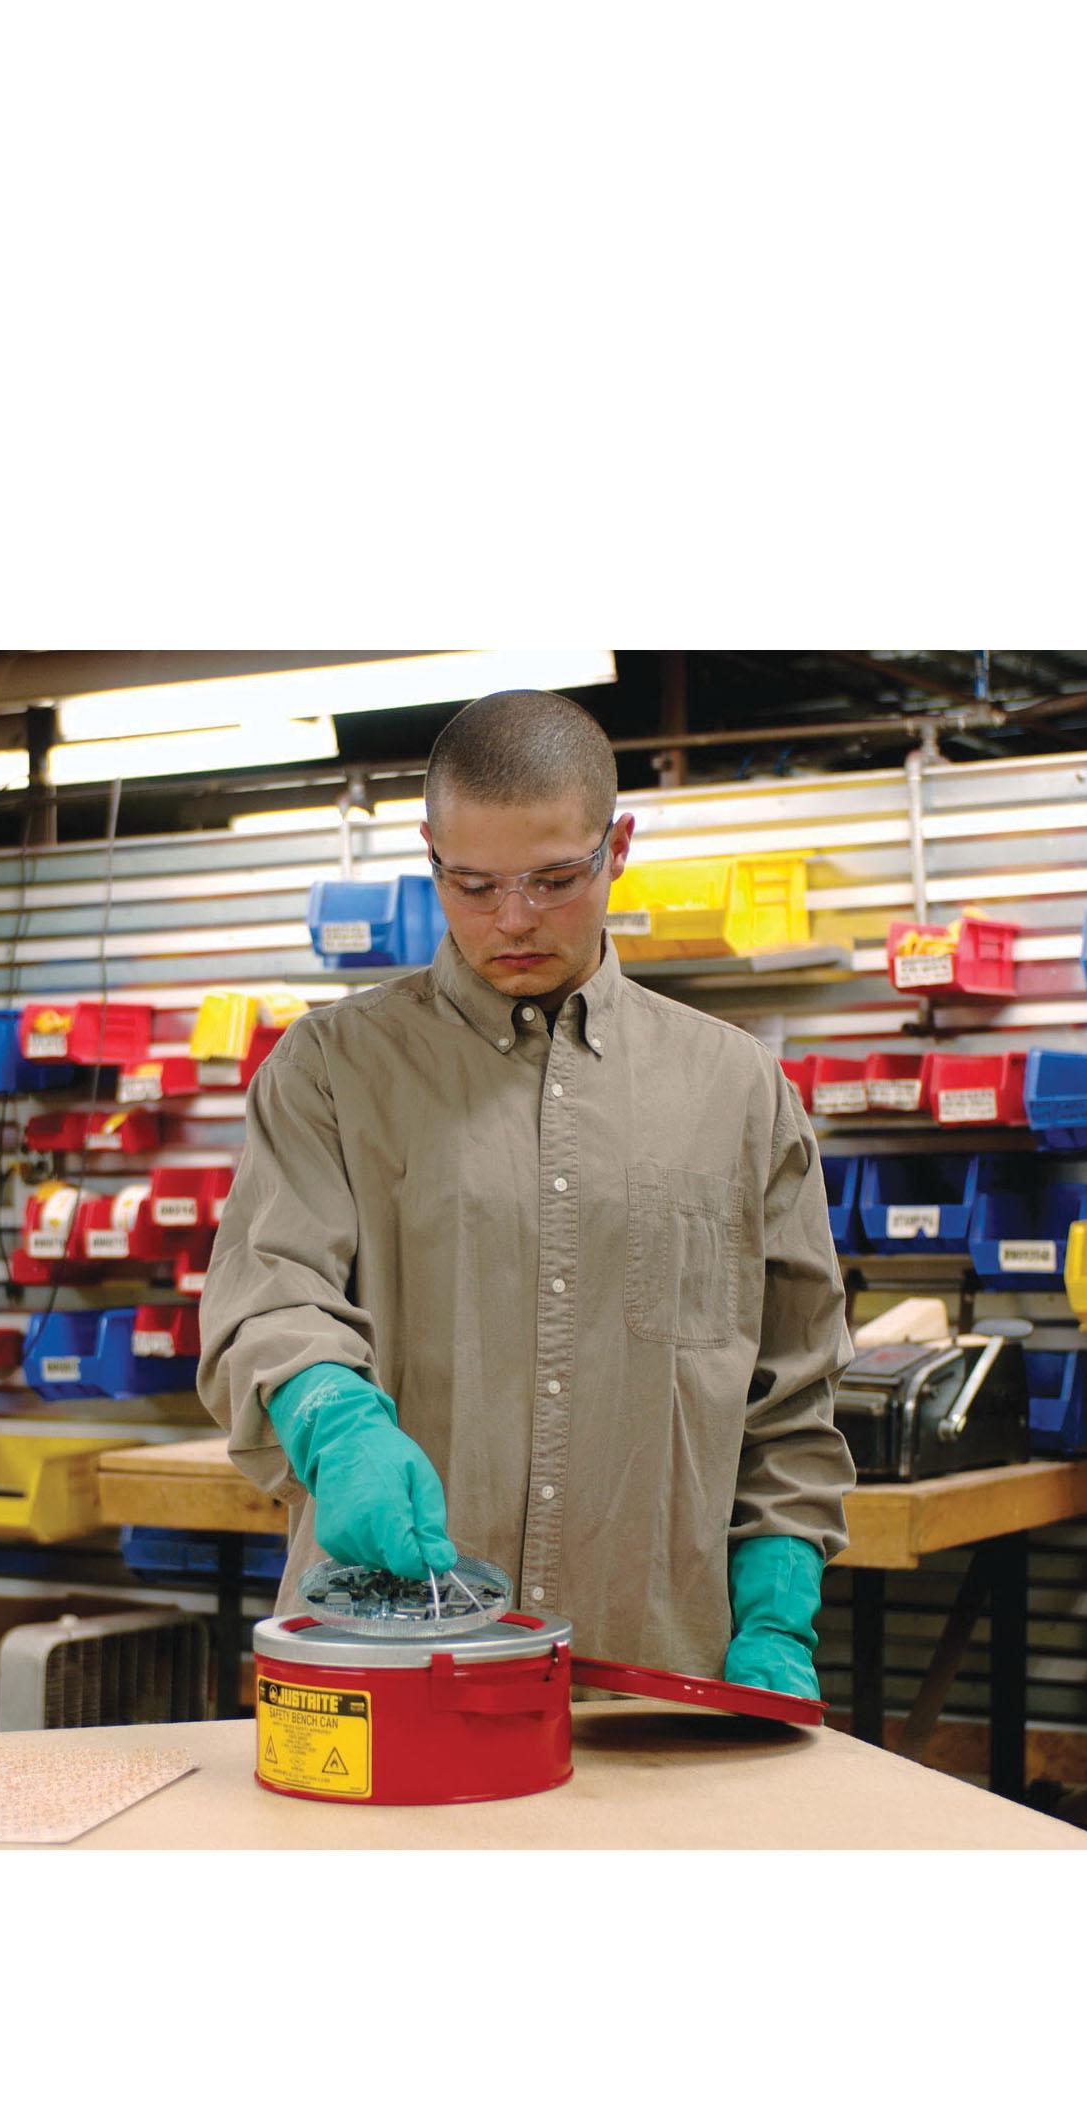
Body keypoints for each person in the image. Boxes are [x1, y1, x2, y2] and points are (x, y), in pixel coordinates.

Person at [195, 689, 855, 1695]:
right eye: (473, 885)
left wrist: (776, 1612)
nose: (513, 920)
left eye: (554, 880)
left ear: (617, 848)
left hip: (653, 1679)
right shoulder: (331, 1069)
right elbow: (269, 1298)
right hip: (396, 1671)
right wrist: (332, 1415)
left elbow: (792, 1390)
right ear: (430, 858)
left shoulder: (737, 1091)